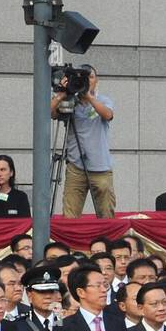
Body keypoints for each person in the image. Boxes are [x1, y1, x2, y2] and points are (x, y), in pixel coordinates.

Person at [54, 65, 116, 218]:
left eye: (91, 77)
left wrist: (89, 97)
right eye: (83, 78)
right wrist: (61, 94)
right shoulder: (70, 100)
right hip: (76, 167)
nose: (87, 81)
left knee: (106, 214)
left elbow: (108, 115)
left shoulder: (103, 100)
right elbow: (49, 113)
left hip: (101, 167)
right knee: (70, 216)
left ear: (97, 81)